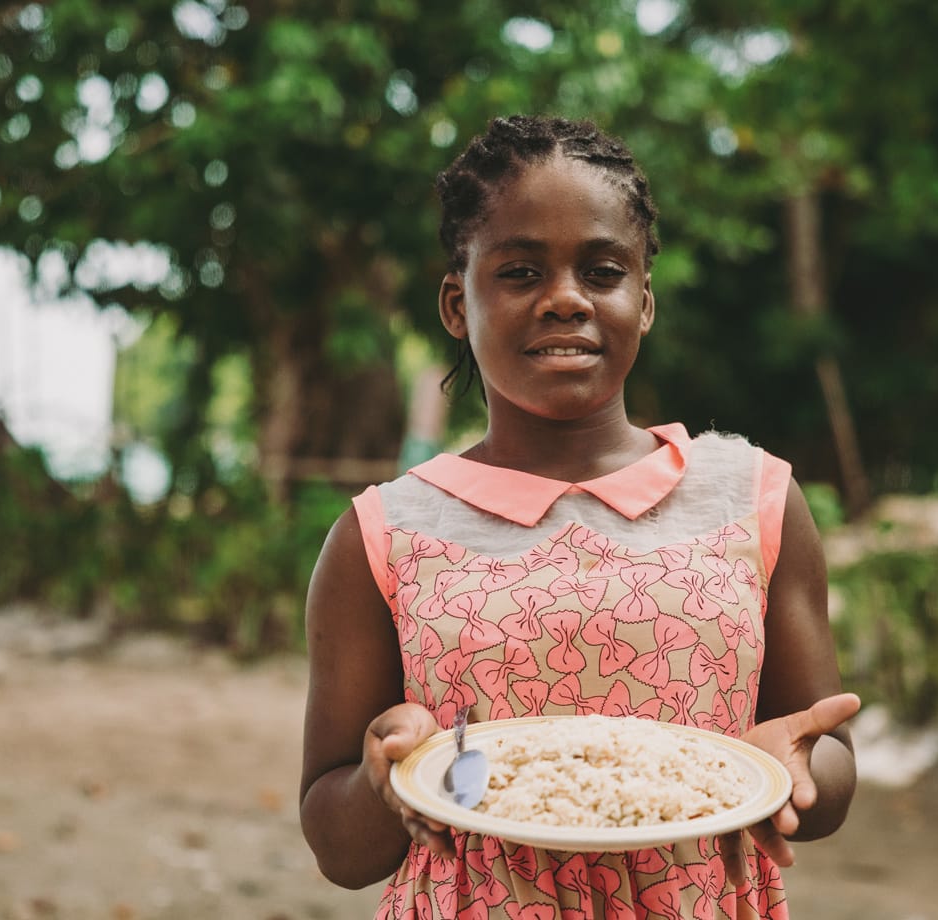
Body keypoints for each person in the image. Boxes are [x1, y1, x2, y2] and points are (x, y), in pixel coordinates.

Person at [299, 114, 860, 920]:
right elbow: (335, 844)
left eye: (601, 271)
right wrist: (385, 778)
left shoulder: (752, 501)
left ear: (645, 300)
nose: (565, 299)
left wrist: (804, 769)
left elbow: (824, 755)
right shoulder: (386, 537)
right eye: (521, 272)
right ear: (458, 303)